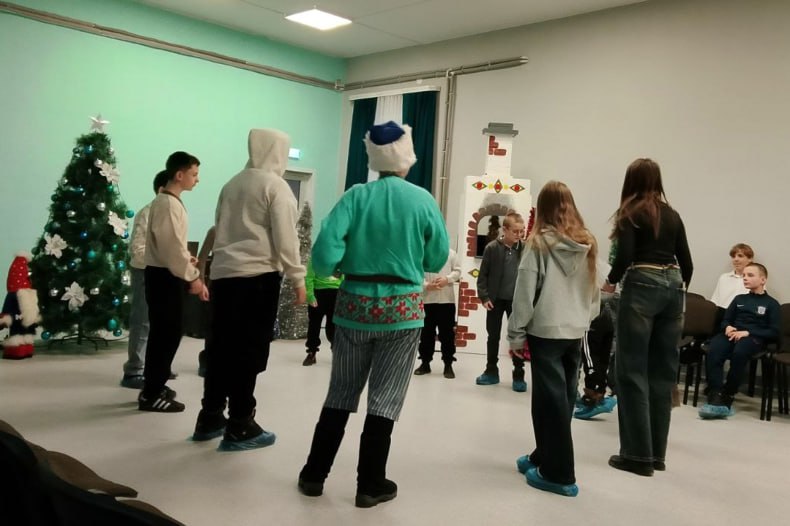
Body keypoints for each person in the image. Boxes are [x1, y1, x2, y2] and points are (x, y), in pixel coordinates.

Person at [297, 121, 448, 508]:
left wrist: (340, 266)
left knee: (340, 392)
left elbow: (323, 255)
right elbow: (435, 259)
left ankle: (314, 474)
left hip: (353, 309)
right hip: (402, 313)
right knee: (385, 399)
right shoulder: (422, 200)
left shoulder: (355, 196)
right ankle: (370, 484)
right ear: (407, 159)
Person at [192, 129, 306, 451]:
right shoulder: (276, 186)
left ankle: (210, 416)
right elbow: (286, 237)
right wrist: (298, 278)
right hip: (257, 278)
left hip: (223, 276)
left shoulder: (232, 184)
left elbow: (218, 228)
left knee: (220, 349)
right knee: (248, 351)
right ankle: (241, 423)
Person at [507, 181, 599, 497]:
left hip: (545, 331)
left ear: (542, 208)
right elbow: (594, 292)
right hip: (574, 331)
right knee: (561, 397)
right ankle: (543, 455)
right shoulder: (588, 243)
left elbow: (524, 292)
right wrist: (583, 320)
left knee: (551, 401)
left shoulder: (537, 245)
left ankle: (559, 473)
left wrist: (516, 334)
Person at [603, 158, 692, 476]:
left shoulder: (630, 212)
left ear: (631, 181)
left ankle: (636, 457)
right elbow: (688, 264)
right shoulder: (673, 214)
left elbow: (625, 255)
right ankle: (657, 456)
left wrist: (610, 281)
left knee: (631, 370)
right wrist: (674, 293)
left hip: (641, 284)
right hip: (674, 287)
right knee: (662, 374)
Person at [139, 152, 208, 413]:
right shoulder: (167, 204)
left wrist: (185, 259)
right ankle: (151, 393)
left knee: (166, 333)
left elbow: (172, 246)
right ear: (179, 175)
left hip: (165, 274)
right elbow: (171, 250)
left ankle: (155, 385)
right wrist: (193, 277)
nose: (197, 180)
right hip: (164, 278)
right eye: (194, 174)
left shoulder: (170, 202)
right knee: (165, 335)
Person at [699, 262, 780, 419]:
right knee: (714, 349)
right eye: (744, 275)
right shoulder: (739, 299)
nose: (745, 278)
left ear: (763, 280)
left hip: (753, 338)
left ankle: (729, 393)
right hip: (732, 334)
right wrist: (727, 327)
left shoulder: (772, 304)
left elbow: (774, 332)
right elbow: (726, 320)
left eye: (750, 275)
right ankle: (715, 392)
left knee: (740, 352)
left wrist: (748, 332)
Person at [120, 170, 170, 389]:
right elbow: (138, 249)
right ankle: (134, 370)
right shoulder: (146, 213)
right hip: (145, 271)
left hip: (165, 272)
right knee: (142, 321)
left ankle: (155, 367)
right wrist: (160, 260)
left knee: (161, 322)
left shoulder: (171, 212)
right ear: (161, 189)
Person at [476, 212, 528, 392]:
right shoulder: (491, 248)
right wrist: (484, 297)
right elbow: (482, 276)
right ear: (505, 230)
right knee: (493, 336)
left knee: (518, 338)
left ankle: (519, 373)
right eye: (515, 231)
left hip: (516, 302)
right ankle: (491, 370)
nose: (519, 235)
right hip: (495, 300)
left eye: (522, 231)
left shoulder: (526, 249)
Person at [414, 247, 461, 379]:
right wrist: (426, 285)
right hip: (427, 300)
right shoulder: (422, 253)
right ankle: (425, 363)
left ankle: (448, 364)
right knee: (426, 333)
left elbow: (457, 271)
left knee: (447, 334)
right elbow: (417, 273)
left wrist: (447, 279)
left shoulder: (451, 253)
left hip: (446, 301)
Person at [574, 288, 618, 420]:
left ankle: (592, 398)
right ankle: (600, 393)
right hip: (608, 314)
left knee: (589, 357)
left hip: (591, 314)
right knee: (602, 358)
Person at [303, 257, 343, 366]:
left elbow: (345, 278)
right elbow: (309, 278)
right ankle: (311, 352)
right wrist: (310, 295)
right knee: (314, 325)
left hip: (336, 294)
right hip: (318, 294)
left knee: (334, 326)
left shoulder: (341, 259)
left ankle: (336, 351)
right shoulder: (316, 258)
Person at [710, 243, 753, 327]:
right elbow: (715, 301)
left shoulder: (755, 279)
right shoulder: (724, 277)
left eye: (740, 256)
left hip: (743, 319)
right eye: (733, 256)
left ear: (750, 259)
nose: (735, 259)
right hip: (722, 317)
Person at [196, 225, 216, 378]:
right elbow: (202, 258)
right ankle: (206, 359)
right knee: (213, 325)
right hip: (217, 283)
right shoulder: (215, 230)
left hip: (238, 284)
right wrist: (201, 282)